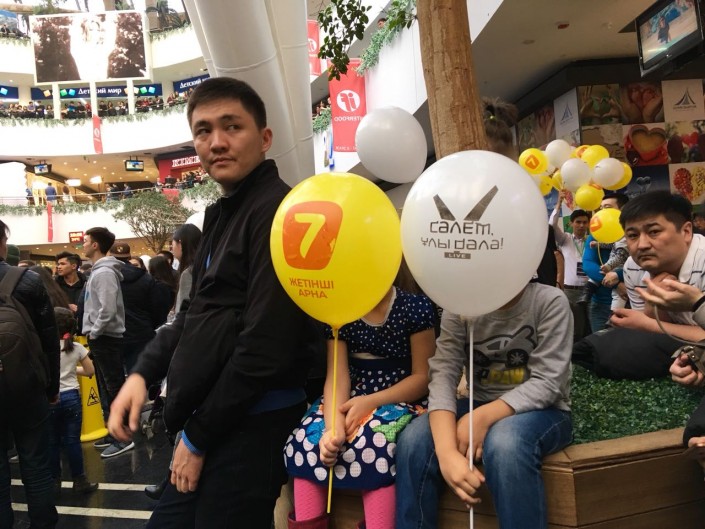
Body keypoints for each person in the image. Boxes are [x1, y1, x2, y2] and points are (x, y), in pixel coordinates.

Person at [107, 77, 318, 529]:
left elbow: (266, 345)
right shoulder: (223, 214)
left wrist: (198, 438)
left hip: (251, 424)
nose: (216, 142)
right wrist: (143, 373)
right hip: (214, 421)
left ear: (265, 138)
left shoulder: (278, 212)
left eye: (232, 126)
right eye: (203, 130)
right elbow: (193, 314)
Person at [395, 281, 573, 529]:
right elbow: (444, 373)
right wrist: (446, 453)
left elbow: (549, 383)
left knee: (505, 442)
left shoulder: (549, 301)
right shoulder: (459, 306)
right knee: (414, 439)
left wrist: (482, 417)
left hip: (543, 411)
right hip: (476, 402)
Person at [284, 275, 436, 529]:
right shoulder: (340, 311)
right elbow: (337, 376)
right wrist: (333, 429)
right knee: (307, 441)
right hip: (352, 394)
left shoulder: (415, 307)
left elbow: (423, 377)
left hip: (400, 397)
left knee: (376, 443)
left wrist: (370, 402)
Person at [0, 219, 60, 529]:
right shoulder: (27, 280)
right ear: (2, 243)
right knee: (36, 465)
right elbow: (49, 339)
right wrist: (51, 387)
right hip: (27, 386)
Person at [610, 191, 705, 343]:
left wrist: (648, 324)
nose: (642, 245)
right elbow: (652, 338)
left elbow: (645, 325)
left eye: (654, 232)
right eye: (633, 235)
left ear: (686, 231)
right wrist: (652, 307)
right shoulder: (633, 266)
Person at [81, 227, 132, 458]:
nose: (82, 245)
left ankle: (123, 437)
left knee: (114, 387)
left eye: (85, 241)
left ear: (95, 245)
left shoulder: (103, 273)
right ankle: (114, 432)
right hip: (102, 337)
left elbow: (108, 309)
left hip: (106, 337)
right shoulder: (99, 271)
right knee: (106, 387)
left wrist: (95, 332)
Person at [49, 307, 98, 494]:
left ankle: (54, 481)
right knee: (73, 441)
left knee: (52, 442)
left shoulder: (46, 348)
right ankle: (80, 481)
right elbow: (90, 371)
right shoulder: (77, 347)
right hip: (71, 398)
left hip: (51, 397)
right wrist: (72, 370)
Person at [579, 193, 629, 331]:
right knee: (600, 342)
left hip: (631, 304)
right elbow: (588, 265)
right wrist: (616, 284)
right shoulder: (595, 236)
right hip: (600, 305)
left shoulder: (632, 234)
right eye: (600, 208)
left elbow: (641, 264)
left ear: (623, 209)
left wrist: (618, 274)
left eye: (607, 207)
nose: (602, 212)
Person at [550, 193, 591, 340]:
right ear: (571, 223)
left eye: (585, 222)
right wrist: (559, 202)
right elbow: (552, 225)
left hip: (590, 289)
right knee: (573, 327)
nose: (581, 225)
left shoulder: (593, 241)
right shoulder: (565, 239)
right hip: (569, 290)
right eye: (578, 222)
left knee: (589, 326)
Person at [171, 223, 202, 313]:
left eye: (172, 245)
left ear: (180, 244)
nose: (172, 250)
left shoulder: (188, 273)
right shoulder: (204, 266)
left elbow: (183, 312)